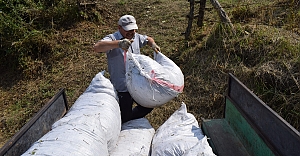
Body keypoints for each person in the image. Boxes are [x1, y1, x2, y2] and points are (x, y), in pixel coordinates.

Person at [93, 15, 161, 123]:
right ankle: (126, 121)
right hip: (122, 86)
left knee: (149, 104)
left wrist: (153, 44)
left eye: (132, 30)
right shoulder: (112, 38)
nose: (130, 33)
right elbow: (97, 47)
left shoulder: (136, 37)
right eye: (127, 30)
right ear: (119, 28)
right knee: (125, 115)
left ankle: (131, 120)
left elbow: (147, 39)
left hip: (137, 83)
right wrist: (119, 44)